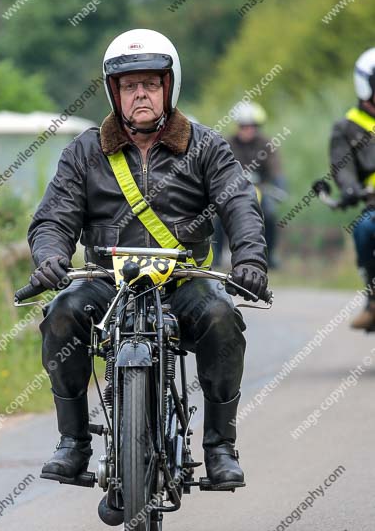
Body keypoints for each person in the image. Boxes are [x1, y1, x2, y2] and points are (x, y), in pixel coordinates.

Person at [27, 28, 267, 492]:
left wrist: (250, 262)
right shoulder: (84, 152)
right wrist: (51, 256)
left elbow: (240, 205)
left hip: (184, 279)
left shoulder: (207, 146)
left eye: (151, 84)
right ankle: (73, 443)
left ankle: (219, 447)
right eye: (130, 85)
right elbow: (52, 219)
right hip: (106, 279)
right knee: (60, 315)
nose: (141, 93)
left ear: (168, 87)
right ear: (114, 91)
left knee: (222, 317)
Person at [330, 48, 375, 331]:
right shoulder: (348, 127)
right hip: (373, 206)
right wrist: (349, 189)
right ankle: (372, 298)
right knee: (365, 229)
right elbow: (342, 168)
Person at [214, 102, 285, 269]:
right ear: (237, 126)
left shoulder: (266, 144)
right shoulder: (226, 143)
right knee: (218, 218)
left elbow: (276, 169)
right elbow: (217, 168)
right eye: (244, 126)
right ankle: (216, 256)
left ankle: (270, 255)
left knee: (269, 214)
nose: (248, 130)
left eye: (252, 126)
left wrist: (280, 185)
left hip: (260, 190)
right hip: (232, 191)